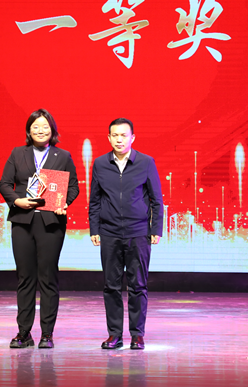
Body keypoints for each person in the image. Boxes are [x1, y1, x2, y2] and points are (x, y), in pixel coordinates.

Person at [0, 109, 79, 349]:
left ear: (52, 130)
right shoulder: (18, 153)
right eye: (35, 127)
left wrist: (64, 203)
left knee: (48, 277)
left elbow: (73, 187)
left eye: (45, 126)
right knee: (25, 278)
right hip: (22, 221)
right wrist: (17, 201)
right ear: (29, 130)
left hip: (50, 222)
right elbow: (5, 184)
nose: (40, 131)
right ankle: (24, 333)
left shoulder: (63, 156)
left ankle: (47, 334)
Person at [88, 118, 164, 350]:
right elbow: (95, 200)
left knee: (138, 285)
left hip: (138, 232)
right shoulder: (100, 164)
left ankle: (137, 335)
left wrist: (155, 229)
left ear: (132, 138)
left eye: (124, 135)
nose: (119, 139)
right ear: (109, 138)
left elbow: (156, 200)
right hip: (109, 232)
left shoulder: (146, 162)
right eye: (115, 135)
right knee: (111, 286)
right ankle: (114, 335)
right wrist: (94, 228)